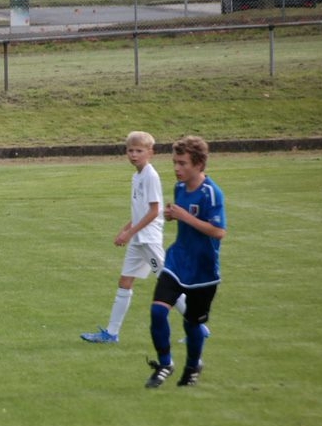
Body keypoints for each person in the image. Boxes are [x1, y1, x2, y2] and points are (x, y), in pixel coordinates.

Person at [80, 131, 208, 345]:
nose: (133, 155)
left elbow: (154, 211)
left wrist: (130, 233)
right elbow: (140, 211)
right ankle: (111, 333)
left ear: (151, 152)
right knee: (125, 282)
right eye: (130, 150)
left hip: (148, 239)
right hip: (138, 238)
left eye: (139, 151)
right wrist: (126, 229)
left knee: (169, 285)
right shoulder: (137, 176)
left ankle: (199, 328)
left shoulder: (150, 176)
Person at [145, 136, 226, 388]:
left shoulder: (211, 193)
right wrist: (173, 216)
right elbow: (183, 216)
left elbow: (218, 231)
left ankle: (192, 366)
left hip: (203, 270)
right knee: (158, 312)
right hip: (177, 261)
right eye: (175, 163)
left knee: (192, 325)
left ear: (198, 164)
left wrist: (184, 217)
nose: (176, 168)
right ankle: (165, 364)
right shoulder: (179, 188)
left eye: (182, 163)